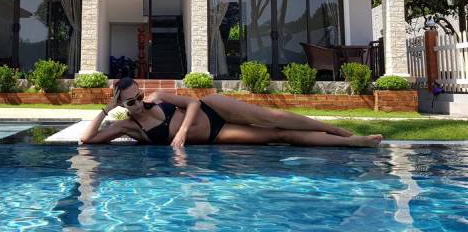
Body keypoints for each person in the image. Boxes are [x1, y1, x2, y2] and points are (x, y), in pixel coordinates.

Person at [80, 77, 382, 147]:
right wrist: (106, 109)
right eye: (130, 101)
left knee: (272, 117)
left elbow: (193, 103)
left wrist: (181, 133)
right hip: (216, 134)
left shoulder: (158, 98)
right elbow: (87, 140)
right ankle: (353, 143)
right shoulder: (129, 128)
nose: (138, 102)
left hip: (212, 107)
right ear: (121, 104)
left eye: (138, 96)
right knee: (278, 135)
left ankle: (337, 130)